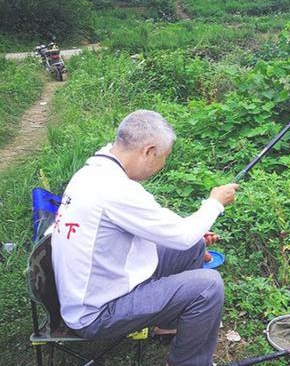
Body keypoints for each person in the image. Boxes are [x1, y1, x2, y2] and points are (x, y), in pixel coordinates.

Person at [48, 109, 238, 366]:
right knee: (208, 286)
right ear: (149, 151)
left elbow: (178, 235)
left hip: (97, 285)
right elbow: (180, 235)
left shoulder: (93, 173)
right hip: (96, 313)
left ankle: (167, 324)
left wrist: (192, 233)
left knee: (194, 242)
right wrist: (215, 203)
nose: (163, 164)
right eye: (164, 157)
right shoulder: (114, 189)